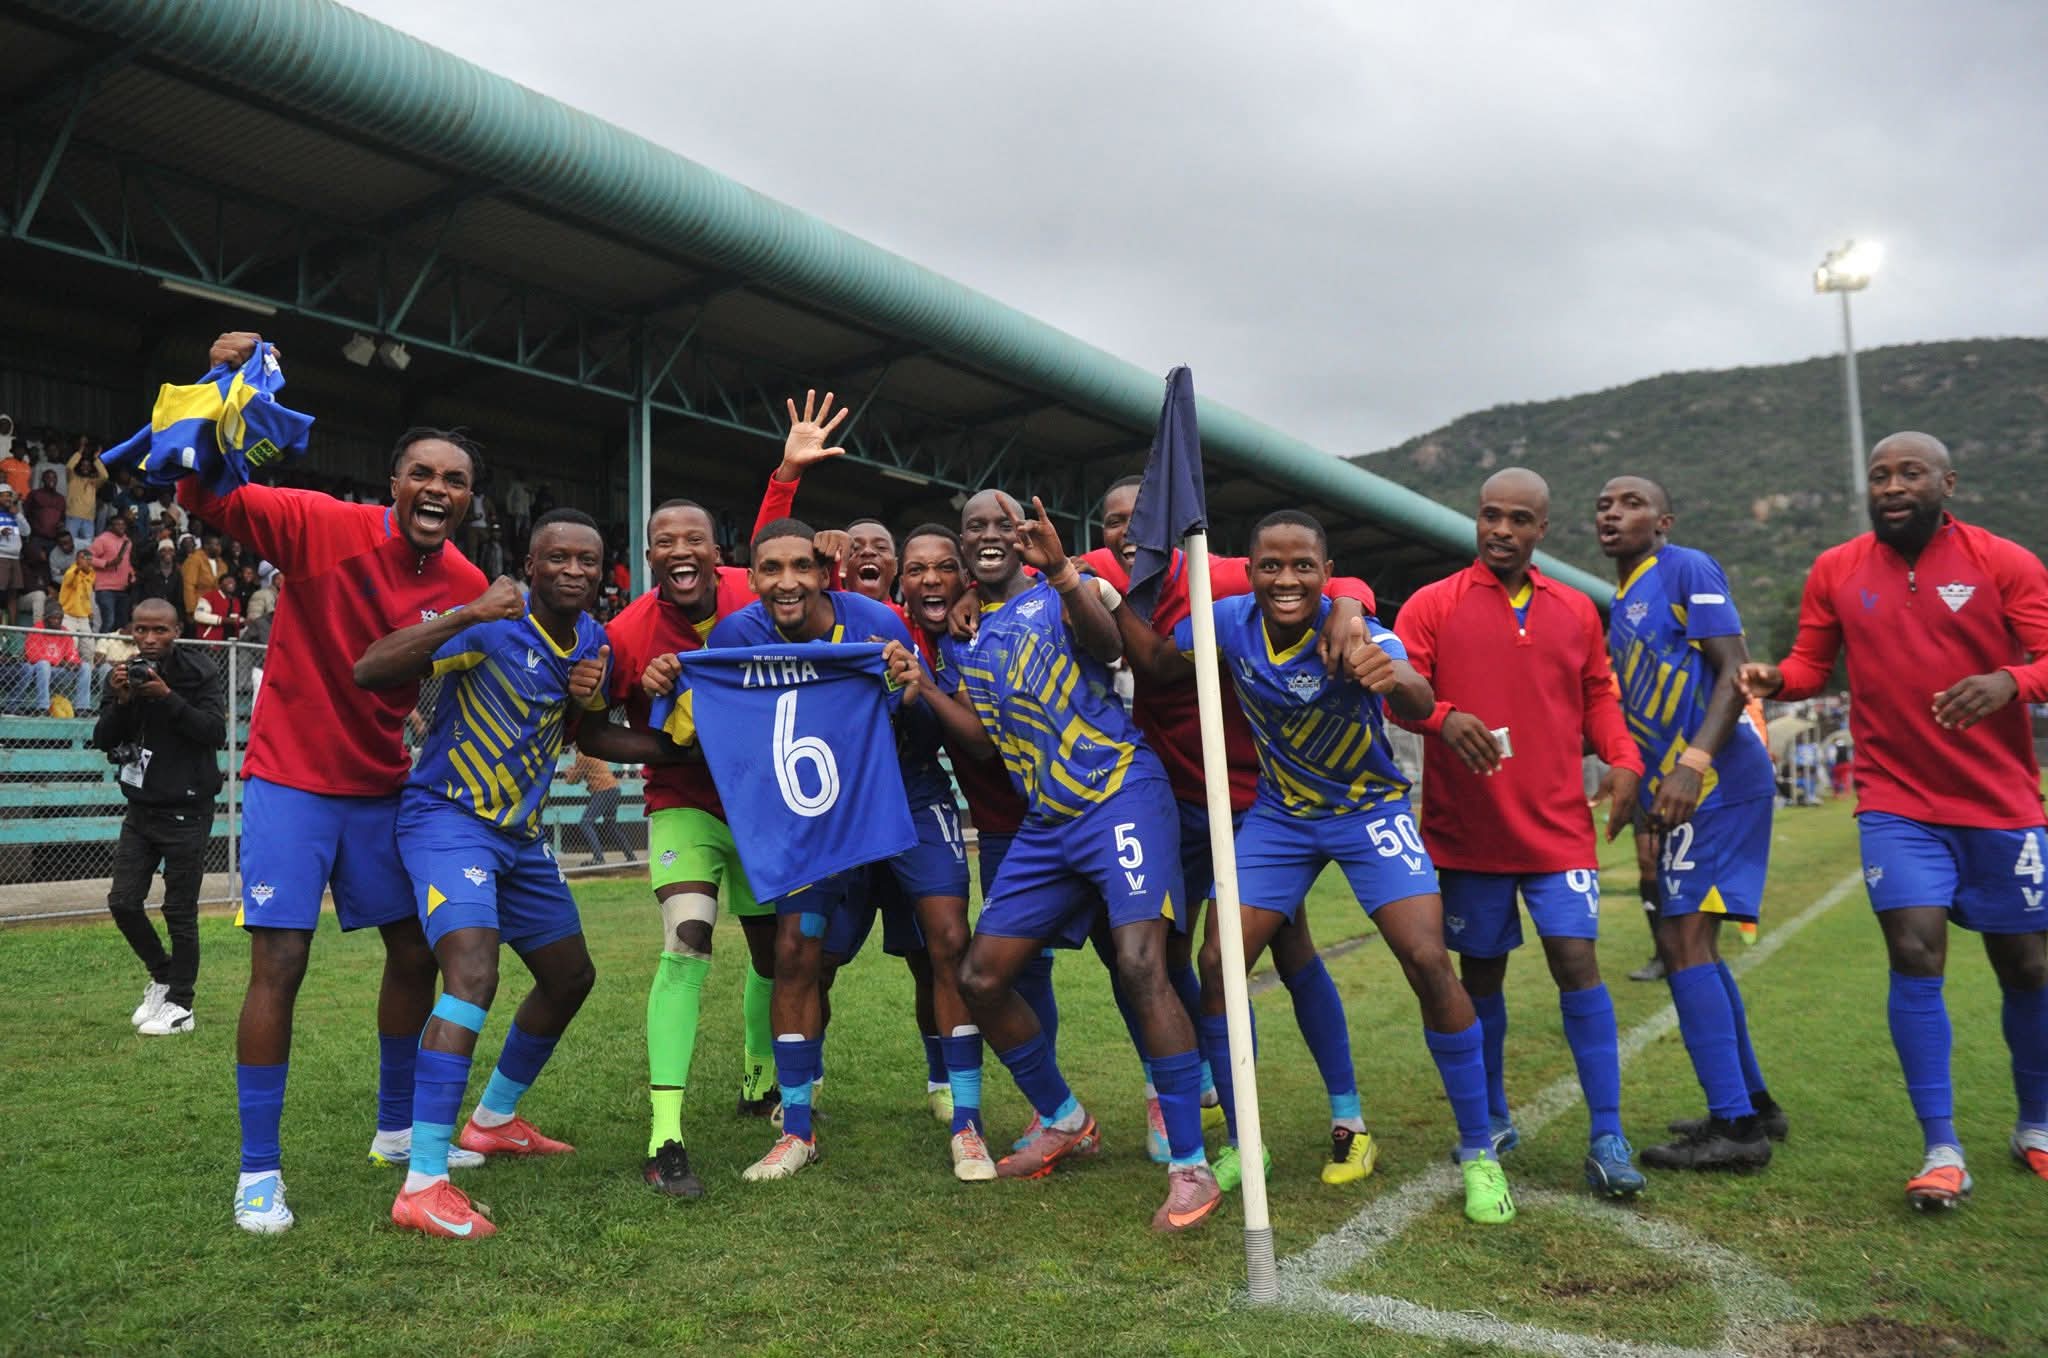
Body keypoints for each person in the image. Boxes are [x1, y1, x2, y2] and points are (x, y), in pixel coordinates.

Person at [1118, 509, 1517, 1225]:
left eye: (1303, 565)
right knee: (1217, 963)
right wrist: (1079, 581)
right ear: (1251, 569)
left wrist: (1390, 675)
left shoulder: (1358, 628)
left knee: (1428, 958)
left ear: (1326, 574)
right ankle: (1246, 1143)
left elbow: (1420, 699)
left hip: (1369, 810)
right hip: (1280, 816)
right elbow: (1153, 661)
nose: (1286, 579)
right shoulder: (1227, 621)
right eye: (1271, 565)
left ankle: (1479, 1152)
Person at [176, 330, 490, 1234]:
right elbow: (202, 488)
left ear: (470, 499)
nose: (437, 489)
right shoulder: (320, 524)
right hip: (291, 782)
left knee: (414, 950)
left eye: (456, 480)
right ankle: (257, 1174)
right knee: (282, 961)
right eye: (422, 473)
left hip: (383, 790)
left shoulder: (465, 581)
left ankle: (398, 1129)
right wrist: (218, 376)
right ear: (394, 483)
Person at [891, 489, 1222, 1233]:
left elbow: (1111, 649)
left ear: (1024, 534)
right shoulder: (966, 641)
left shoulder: (1061, 594)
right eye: (972, 525)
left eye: (1000, 523)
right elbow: (977, 740)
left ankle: (1189, 1165)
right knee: (979, 975)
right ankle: (1065, 1117)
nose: (986, 534)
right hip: (1048, 822)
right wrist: (924, 689)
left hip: (1121, 795)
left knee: (1142, 964)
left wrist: (1066, 574)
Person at [1738, 431, 2048, 1209]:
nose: (1892, 485)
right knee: (1915, 951)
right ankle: (1941, 1148)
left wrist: (2010, 683)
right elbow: (1811, 667)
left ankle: (2036, 1126)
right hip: (1896, 802)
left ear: (1949, 482)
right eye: (1879, 475)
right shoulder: (1837, 570)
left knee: (2029, 967)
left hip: (2001, 804)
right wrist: (1777, 679)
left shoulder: (2003, 561)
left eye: (1910, 473)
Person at [354, 511, 673, 1239]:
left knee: (570, 977)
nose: (573, 570)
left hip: (520, 838)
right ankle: (423, 1184)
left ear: (603, 569)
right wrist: (467, 612)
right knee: (472, 974)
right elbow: (372, 669)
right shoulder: (493, 624)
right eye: (556, 557)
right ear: (529, 565)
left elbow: (583, 725)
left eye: (587, 560)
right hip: (448, 819)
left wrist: (606, 705)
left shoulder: (591, 639)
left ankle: (492, 1122)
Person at [1084, 473, 1378, 1183]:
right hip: (1170, 798)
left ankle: (1347, 1113)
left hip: (1254, 798)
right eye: (1115, 522)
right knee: (1173, 951)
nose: (1129, 533)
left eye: (1141, 519)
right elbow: (1025, 571)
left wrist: (1347, 606)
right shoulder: (1100, 572)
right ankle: (1219, 1098)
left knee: (1287, 944)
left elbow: (1335, 578)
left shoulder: (1213, 569)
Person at [680, 515, 984, 1185]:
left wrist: (911, 688)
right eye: (770, 569)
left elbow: (926, 725)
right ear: (751, 576)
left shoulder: (877, 621)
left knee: (948, 941)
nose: (787, 582)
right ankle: (796, 1128)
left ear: (823, 573)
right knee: (796, 952)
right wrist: (663, 681)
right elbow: (708, 725)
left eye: (800, 568)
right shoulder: (735, 636)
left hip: (905, 791)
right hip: (815, 808)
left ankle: (967, 1123)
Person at [1394, 469, 1646, 1197]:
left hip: (1559, 828)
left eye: (1517, 520)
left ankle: (1607, 1133)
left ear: (1542, 530)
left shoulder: (1574, 609)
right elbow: (1400, 691)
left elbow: (1598, 694)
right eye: (1489, 516)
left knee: (1577, 961)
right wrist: (1443, 717)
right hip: (1468, 833)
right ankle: (1495, 1115)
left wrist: (1624, 759)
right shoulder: (1432, 604)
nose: (1501, 530)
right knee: (1481, 977)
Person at [602, 394, 817, 1199]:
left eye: (695, 539)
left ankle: (762, 1074)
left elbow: (779, 540)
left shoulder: (750, 589)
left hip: (764, 810)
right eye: (666, 542)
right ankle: (665, 1136)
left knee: (774, 954)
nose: (681, 550)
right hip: (683, 806)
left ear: (720, 556)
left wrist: (788, 475)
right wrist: (667, 739)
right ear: (650, 555)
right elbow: (591, 730)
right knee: (687, 941)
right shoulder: (627, 633)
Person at [1596, 475, 1782, 1171]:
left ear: (1664, 519)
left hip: (1719, 783)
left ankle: (1735, 1129)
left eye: (1632, 503)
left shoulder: (1687, 567)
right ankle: (1754, 1104)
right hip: (1681, 792)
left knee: (1681, 940)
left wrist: (1694, 762)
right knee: (1692, 938)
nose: (1614, 513)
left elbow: (1735, 669)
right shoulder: (1621, 596)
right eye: (1604, 505)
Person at [92, 598, 224, 1037]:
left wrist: (166, 697)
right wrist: (124, 699)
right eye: (141, 630)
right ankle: (164, 977)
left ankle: (181, 1007)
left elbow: (213, 732)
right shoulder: (125, 672)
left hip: (187, 808)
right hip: (141, 806)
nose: (149, 639)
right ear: (131, 629)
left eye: (160, 630)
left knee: (179, 911)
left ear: (177, 629)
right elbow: (103, 737)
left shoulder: (198, 671)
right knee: (123, 901)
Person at [13, 599, 95, 715]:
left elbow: (72, 653)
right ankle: (43, 707)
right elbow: (33, 656)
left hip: (59, 671)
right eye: (53, 618)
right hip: (40, 671)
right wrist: (59, 662)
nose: (56, 621)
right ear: (46, 618)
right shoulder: (36, 629)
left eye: (59, 618)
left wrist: (73, 663)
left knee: (85, 666)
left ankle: (82, 707)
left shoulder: (64, 631)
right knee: (44, 664)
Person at [561, 749, 630, 865]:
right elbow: (583, 771)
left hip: (603, 790)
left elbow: (574, 779)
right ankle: (631, 858)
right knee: (610, 826)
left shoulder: (582, 754)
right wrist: (573, 771)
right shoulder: (593, 750)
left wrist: (568, 773)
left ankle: (599, 858)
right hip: (614, 788)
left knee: (585, 823)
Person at [91, 513, 136, 632]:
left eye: (123, 525)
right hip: (105, 588)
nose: (121, 527)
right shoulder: (102, 539)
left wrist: (132, 575)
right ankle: (101, 648)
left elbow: (127, 562)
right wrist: (108, 563)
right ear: (111, 526)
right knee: (109, 621)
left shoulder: (127, 541)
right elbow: (88, 558)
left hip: (123, 588)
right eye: (118, 524)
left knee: (121, 624)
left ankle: (116, 650)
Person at [65, 438, 103, 544]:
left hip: (89, 519)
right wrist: (80, 451)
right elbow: (69, 467)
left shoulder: (93, 482)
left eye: (88, 466)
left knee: (88, 548)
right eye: (83, 465)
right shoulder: (72, 478)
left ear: (91, 468)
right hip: (73, 517)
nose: (85, 467)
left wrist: (96, 459)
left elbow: (105, 476)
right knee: (70, 545)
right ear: (79, 467)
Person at [181, 534, 224, 618]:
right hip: (200, 606)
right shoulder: (194, 560)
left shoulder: (221, 563)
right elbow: (188, 586)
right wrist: (191, 610)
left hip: (217, 608)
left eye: (219, 545)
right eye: (216, 544)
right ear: (206, 546)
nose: (219, 548)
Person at [193, 573, 241, 643]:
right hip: (210, 641)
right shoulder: (209, 597)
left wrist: (243, 621)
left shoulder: (236, 601)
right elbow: (199, 615)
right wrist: (222, 620)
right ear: (220, 584)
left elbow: (235, 619)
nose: (231, 583)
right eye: (227, 581)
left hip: (231, 642)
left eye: (233, 581)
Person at [0, 484, 23, 623]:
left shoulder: (15, 513)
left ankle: (13, 629)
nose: (8, 498)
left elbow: (27, 532)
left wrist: (18, 514)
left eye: (9, 495)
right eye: (4, 495)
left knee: (13, 595)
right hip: (1, 557)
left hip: (15, 558)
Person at [26, 469, 66, 544]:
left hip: (54, 538)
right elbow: (27, 513)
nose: (52, 480)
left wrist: (60, 524)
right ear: (43, 479)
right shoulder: (35, 494)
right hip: (37, 537)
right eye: (48, 477)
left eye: (54, 477)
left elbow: (62, 517)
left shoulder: (61, 498)